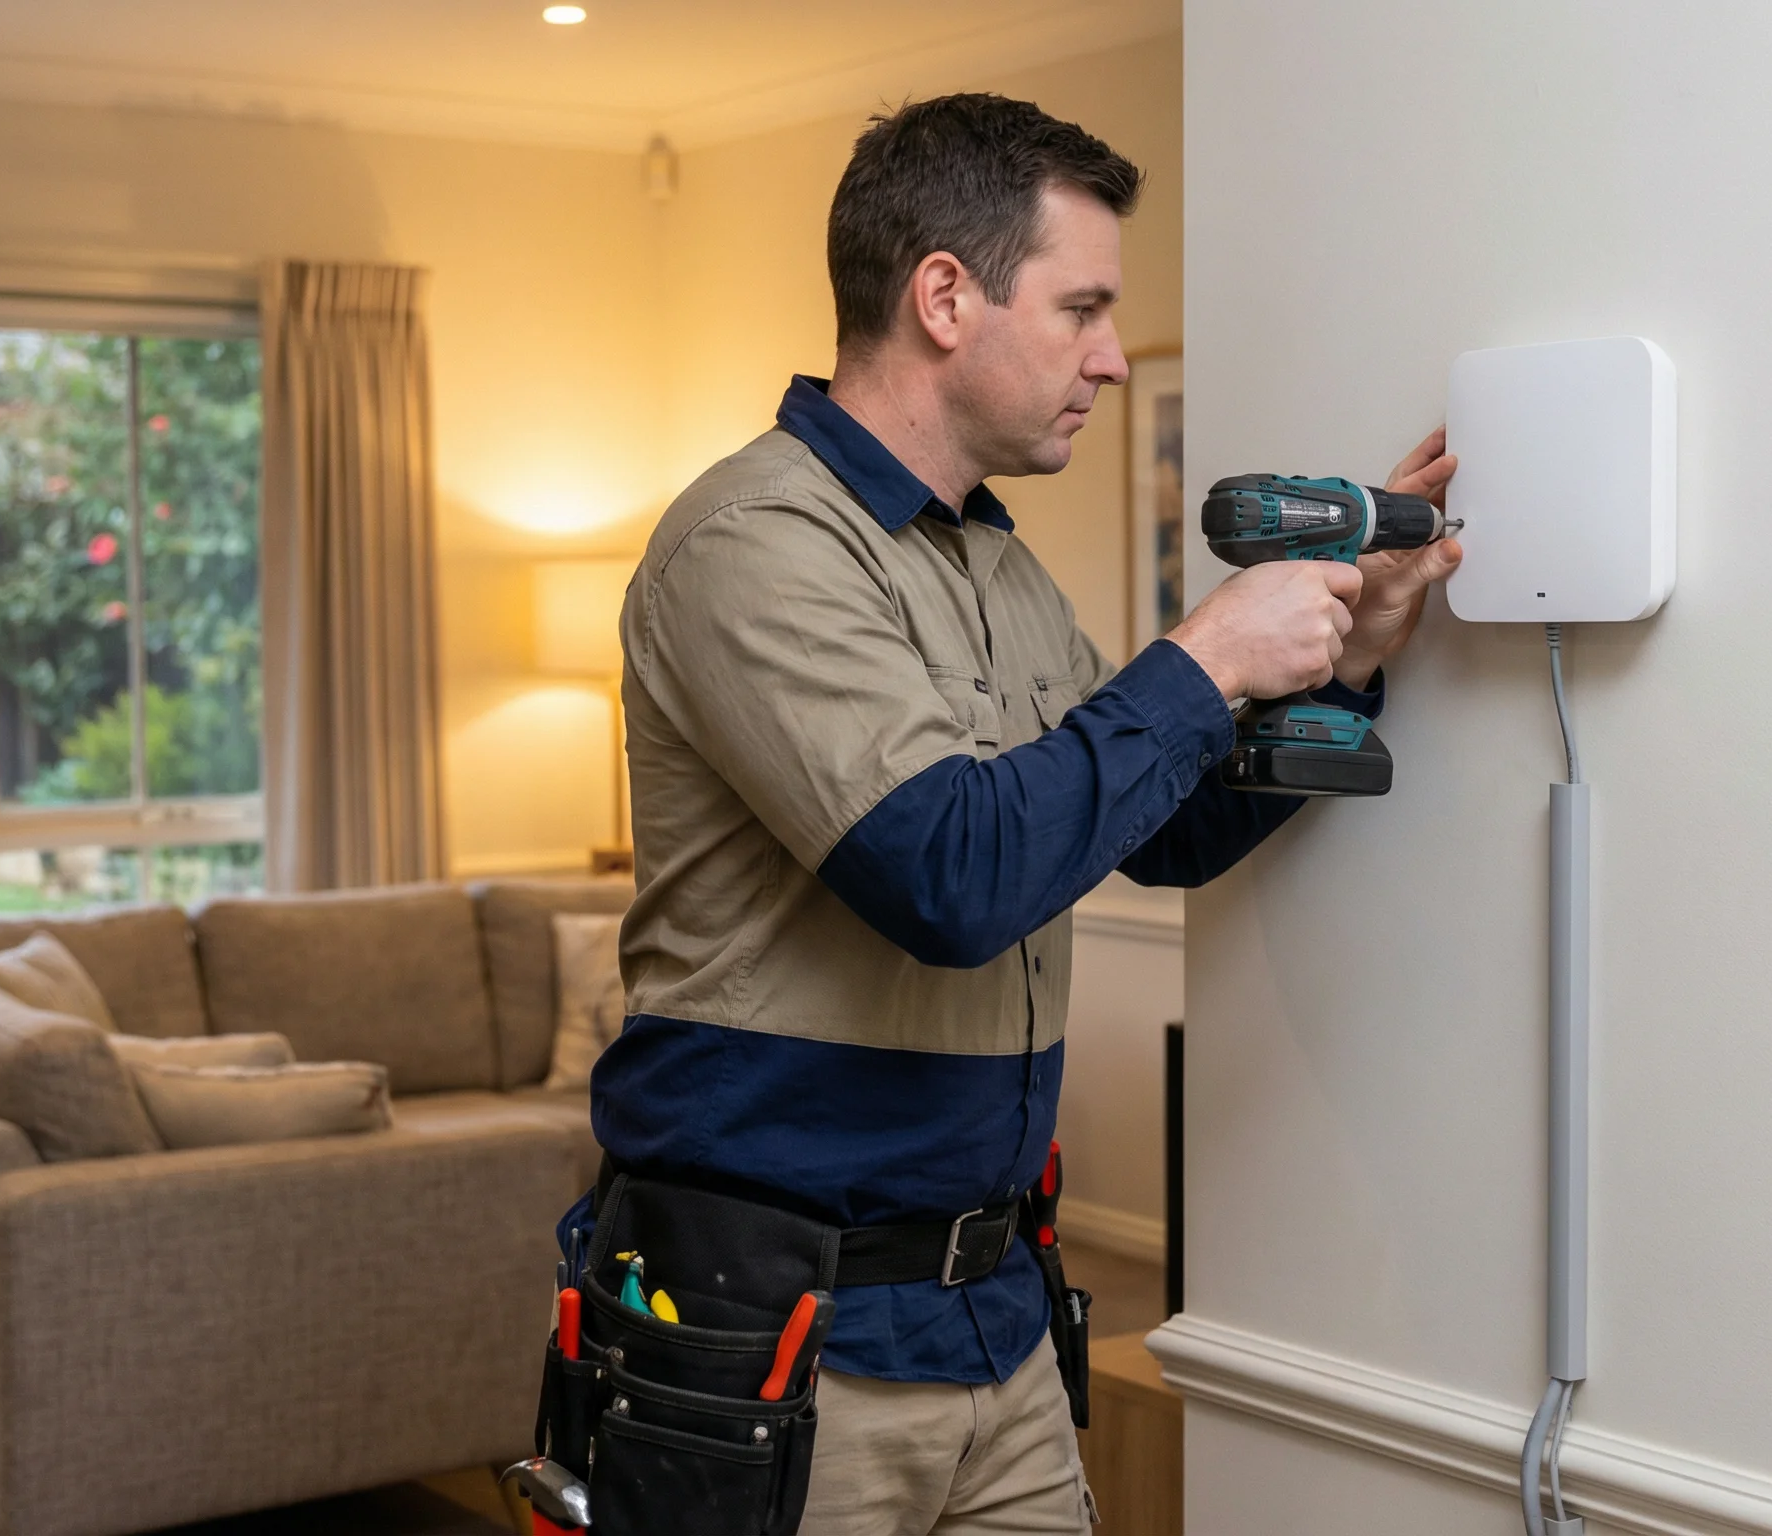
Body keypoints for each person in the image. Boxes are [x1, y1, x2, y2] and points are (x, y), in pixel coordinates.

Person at [582, 92, 1461, 1534]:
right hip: (776, 1340)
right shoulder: (756, 544)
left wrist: (1350, 659)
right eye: (1084, 310)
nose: (1112, 358)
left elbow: (1158, 830)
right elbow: (953, 877)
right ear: (944, 297)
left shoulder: (997, 568)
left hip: (994, 1320)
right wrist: (1206, 657)